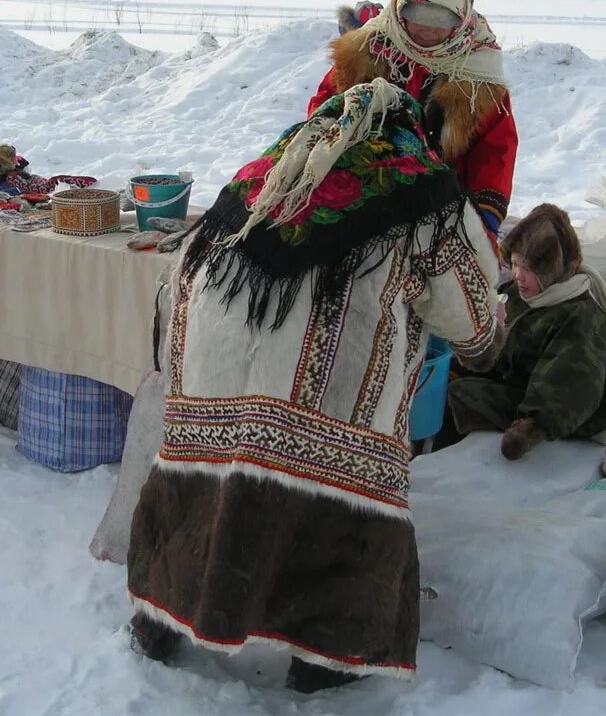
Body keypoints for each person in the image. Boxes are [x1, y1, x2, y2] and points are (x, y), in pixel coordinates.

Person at [126, 77, 502, 692]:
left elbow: (186, 266)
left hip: (209, 355)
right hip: (322, 376)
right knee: (332, 498)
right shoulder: (424, 189)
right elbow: (473, 318)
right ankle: (323, 653)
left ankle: (161, 620)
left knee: (206, 473)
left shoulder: (267, 169)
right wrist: (487, 341)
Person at [307, 0, 518, 243]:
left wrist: (485, 216)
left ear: (461, 16)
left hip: (446, 199)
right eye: (419, 20)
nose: (428, 33)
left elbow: (496, 150)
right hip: (363, 185)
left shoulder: (480, 72)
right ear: (399, 10)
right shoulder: (368, 50)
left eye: (441, 23)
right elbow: (327, 105)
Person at [446, 203, 606, 460]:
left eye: (528, 269)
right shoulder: (523, 294)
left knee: (459, 396)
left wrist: (529, 429)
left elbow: (571, 386)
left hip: (562, 409)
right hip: (524, 382)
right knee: (444, 377)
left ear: (551, 271)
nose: (516, 276)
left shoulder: (580, 316)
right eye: (514, 263)